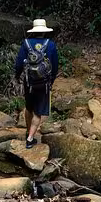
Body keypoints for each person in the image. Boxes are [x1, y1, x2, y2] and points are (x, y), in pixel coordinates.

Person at [14, 19, 59, 149]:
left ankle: (28, 132)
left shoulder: (26, 43)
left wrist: (17, 76)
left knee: (29, 108)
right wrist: (51, 81)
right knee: (38, 113)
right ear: (44, 31)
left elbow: (18, 64)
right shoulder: (50, 45)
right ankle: (30, 138)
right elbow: (55, 66)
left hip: (29, 82)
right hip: (43, 84)